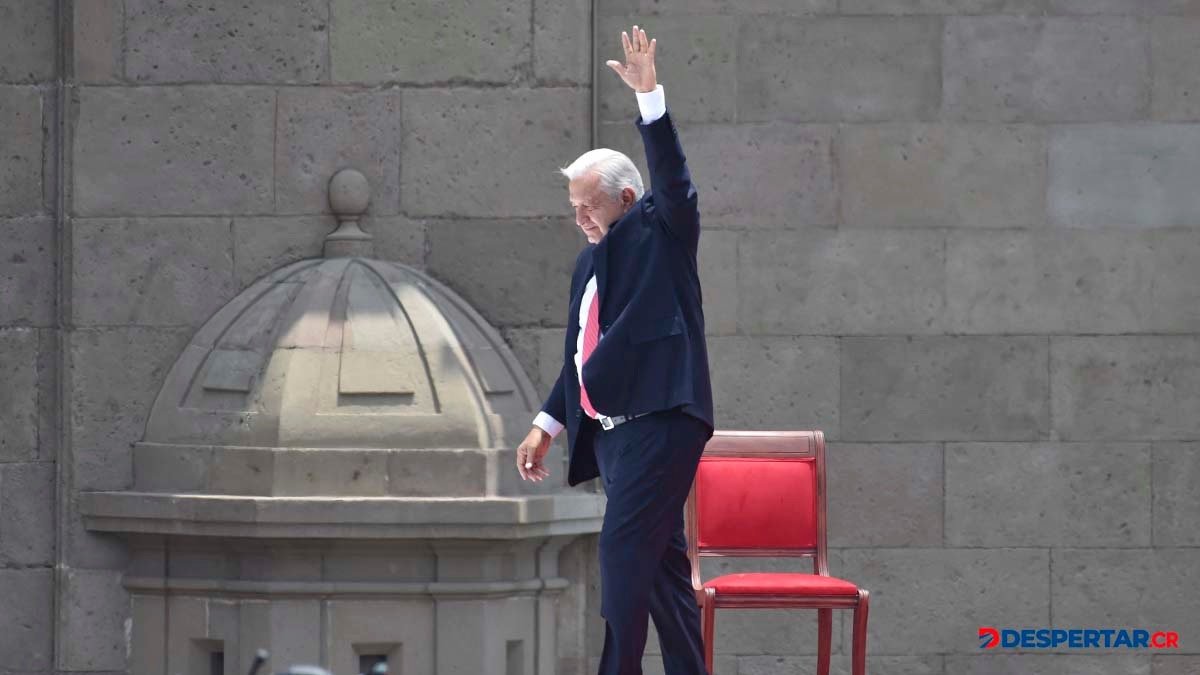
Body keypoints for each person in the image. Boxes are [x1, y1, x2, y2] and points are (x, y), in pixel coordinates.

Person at [515, 25, 715, 675]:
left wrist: (650, 98)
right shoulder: (587, 265)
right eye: (573, 207)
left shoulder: (661, 231)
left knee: (621, 563)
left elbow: (676, 182)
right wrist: (547, 422)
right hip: (615, 436)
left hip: (661, 420)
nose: (580, 218)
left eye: (588, 206)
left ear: (626, 200)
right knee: (659, 576)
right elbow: (581, 353)